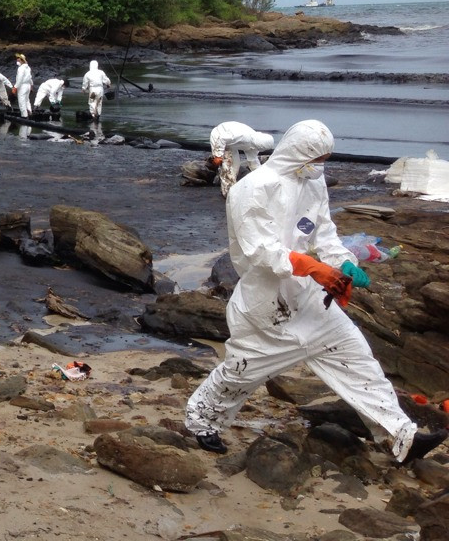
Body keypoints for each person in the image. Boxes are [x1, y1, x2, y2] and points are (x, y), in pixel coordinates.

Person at [185, 120, 448, 463]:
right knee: (241, 372)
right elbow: (260, 252)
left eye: (324, 160)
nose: (319, 166)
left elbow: (323, 232)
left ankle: (401, 437)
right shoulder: (251, 189)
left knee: (357, 358)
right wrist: (313, 268)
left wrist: (343, 262)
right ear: (296, 152)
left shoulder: (313, 181)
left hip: (309, 300)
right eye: (316, 159)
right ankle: (201, 421)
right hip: (266, 306)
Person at [210, 121, 276, 197]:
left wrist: (262, 176)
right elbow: (221, 139)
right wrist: (218, 155)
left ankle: (230, 190)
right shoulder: (244, 137)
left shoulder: (254, 145)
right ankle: (227, 193)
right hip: (218, 136)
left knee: (236, 165)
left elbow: (253, 162)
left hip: (230, 143)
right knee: (229, 166)